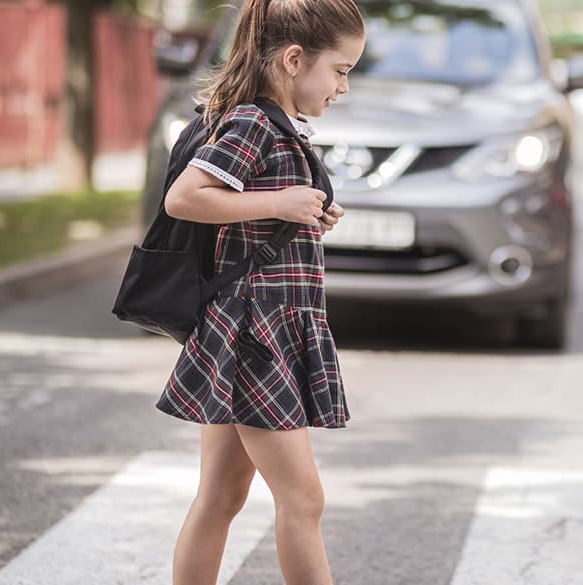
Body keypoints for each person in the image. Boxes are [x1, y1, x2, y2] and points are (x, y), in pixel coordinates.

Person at [156, 1, 365, 584]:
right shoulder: (252, 121)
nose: (345, 87)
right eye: (341, 69)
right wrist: (280, 202)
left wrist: (305, 211)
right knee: (304, 500)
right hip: (256, 332)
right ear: (295, 60)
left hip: (259, 326)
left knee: (221, 496)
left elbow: (249, 211)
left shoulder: (279, 125)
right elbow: (184, 197)